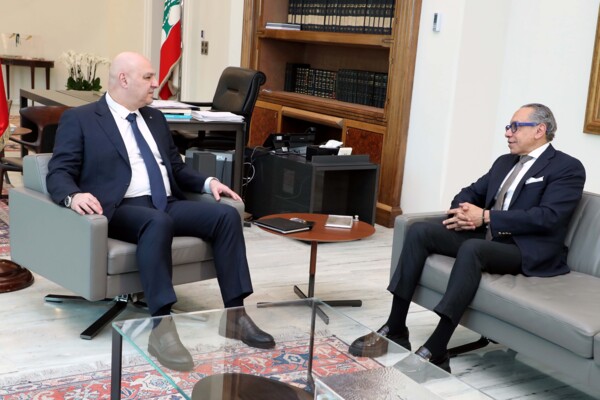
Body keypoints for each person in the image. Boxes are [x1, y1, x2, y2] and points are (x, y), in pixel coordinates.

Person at [46, 51, 275, 371]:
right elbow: (58, 172)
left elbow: (176, 169)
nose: (156, 83)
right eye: (148, 77)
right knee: (157, 222)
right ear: (123, 79)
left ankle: (235, 316)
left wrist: (208, 182)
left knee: (226, 215)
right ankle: (162, 327)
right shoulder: (81, 119)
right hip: (120, 208)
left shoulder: (154, 118)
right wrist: (73, 196)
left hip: (166, 203)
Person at [349, 103, 586, 373]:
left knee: (473, 248)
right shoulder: (505, 162)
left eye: (515, 127)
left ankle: (437, 348)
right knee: (420, 231)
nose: (508, 133)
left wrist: (486, 217)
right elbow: (470, 192)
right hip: (491, 238)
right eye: (508, 127)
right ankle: (395, 327)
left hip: (526, 248)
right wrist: (463, 212)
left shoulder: (567, 167)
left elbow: (549, 217)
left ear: (540, 130)